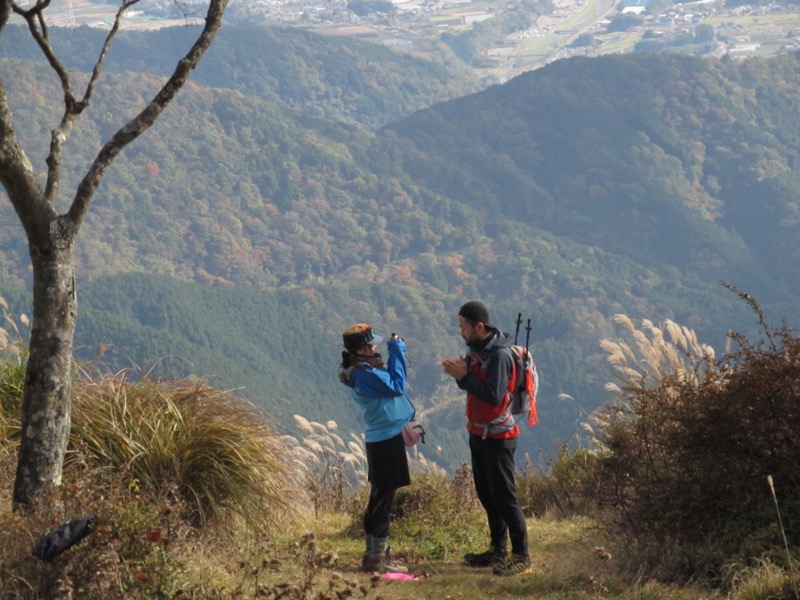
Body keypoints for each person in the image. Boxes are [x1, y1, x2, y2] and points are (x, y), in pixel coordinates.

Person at [441, 301, 531, 577]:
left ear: (480, 326)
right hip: (479, 432)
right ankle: (497, 549)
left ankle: (522, 557)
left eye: (464, 328)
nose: (462, 333)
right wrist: (461, 375)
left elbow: (493, 397)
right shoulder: (477, 351)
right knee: (487, 494)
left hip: (499, 436)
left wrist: (464, 377)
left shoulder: (500, 356)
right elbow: (474, 386)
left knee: (505, 497)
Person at [339, 323, 415, 574]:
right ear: (361, 349)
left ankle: (372, 556)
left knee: (378, 498)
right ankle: (377, 560)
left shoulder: (361, 370)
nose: (375, 348)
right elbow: (397, 385)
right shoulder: (366, 374)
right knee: (384, 500)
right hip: (386, 440)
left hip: (379, 439)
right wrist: (398, 350)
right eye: (371, 345)